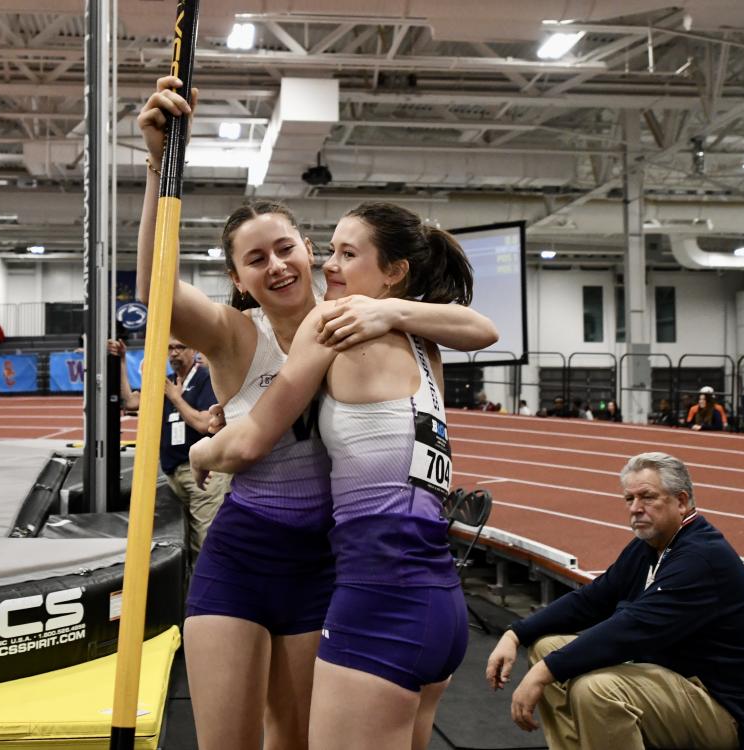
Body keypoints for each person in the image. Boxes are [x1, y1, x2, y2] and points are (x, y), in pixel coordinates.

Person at [135, 76, 498, 750]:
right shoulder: (233, 332)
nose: (276, 265)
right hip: (244, 552)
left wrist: (206, 448)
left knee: (296, 739)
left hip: (327, 564)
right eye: (254, 259)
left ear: (308, 249)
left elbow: (245, 443)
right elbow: (155, 290)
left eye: (288, 247)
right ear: (238, 279)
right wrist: (159, 167)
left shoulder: (352, 326)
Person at [191, 201, 498, 749]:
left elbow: (254, 438)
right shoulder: (426, 343)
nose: (330, 266)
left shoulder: (334, 328)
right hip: (440, 597)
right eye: (330, 250)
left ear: (394, 271)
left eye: (346, 254)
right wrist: (397, 311)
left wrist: (206, 448)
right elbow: (479, 327)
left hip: (378, 599)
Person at [485, 451, 744, 750]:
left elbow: (632, 628)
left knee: (596, 690)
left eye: (647, 497)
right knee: (545, 649)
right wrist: (516, 633)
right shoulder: (650, 546)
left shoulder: (701, 558)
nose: (635, 509)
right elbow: (592, 600)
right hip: (668, 678)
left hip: (719, 710)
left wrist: (542, 675)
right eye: (629, 499)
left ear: (681, 502)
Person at [108, 336, 228, 555]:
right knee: (184, 537)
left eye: (180, 347)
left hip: (204, 474)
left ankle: (201, 587)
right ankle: (187, 585)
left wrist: (176, 398)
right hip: (174, 474)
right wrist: (122, 361)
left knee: (204, 539)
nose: (174, 353)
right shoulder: (168, 382)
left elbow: (204, 424)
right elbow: (131, 402)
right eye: (170, 348)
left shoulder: (205, 379)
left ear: (193, 350)